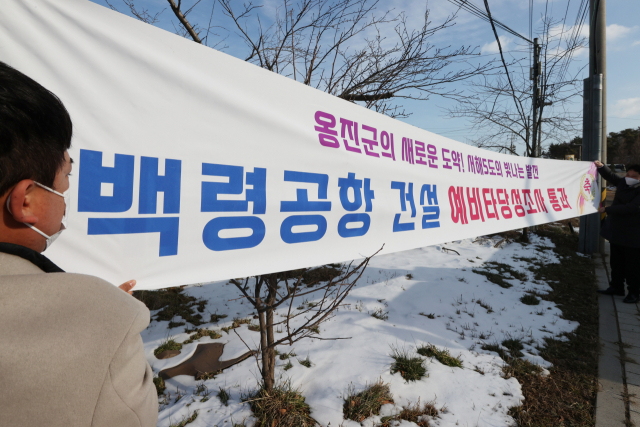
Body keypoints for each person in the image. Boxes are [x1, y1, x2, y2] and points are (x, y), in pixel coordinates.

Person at [0, 62, 158, 426]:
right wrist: (101, 316)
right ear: (26, 201)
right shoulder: (102, 317)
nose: (67, 191)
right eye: (65, 178)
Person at [594, 160, 640, 303]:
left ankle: (634, 292)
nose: (629, 177)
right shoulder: (623, 183)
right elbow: (612, 177)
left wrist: (607, 209)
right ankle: (616, 287)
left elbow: (631, 208)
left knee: (632, 266)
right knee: (616, 263)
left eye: (634, 176)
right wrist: (601, 167)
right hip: (617, 231)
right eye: (628, 174)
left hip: (634, 235)